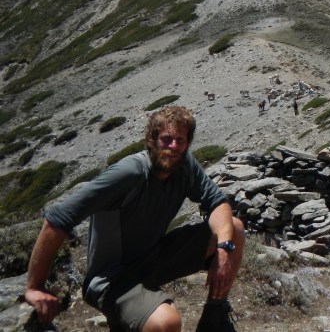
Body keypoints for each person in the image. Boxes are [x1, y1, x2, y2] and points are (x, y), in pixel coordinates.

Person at [25, 106, 245, 332]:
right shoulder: (130, 172)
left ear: (188, 143)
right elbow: (58, 219)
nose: (173, 147)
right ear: (151, 139)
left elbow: (218, 203)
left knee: (234, 230)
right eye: (166, 139)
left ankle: (214, 319)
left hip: (153, 257)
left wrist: (223, 249)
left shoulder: (185, 166)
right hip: (111, 277)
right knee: (166, 323)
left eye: (180, 140)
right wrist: (34, 286)